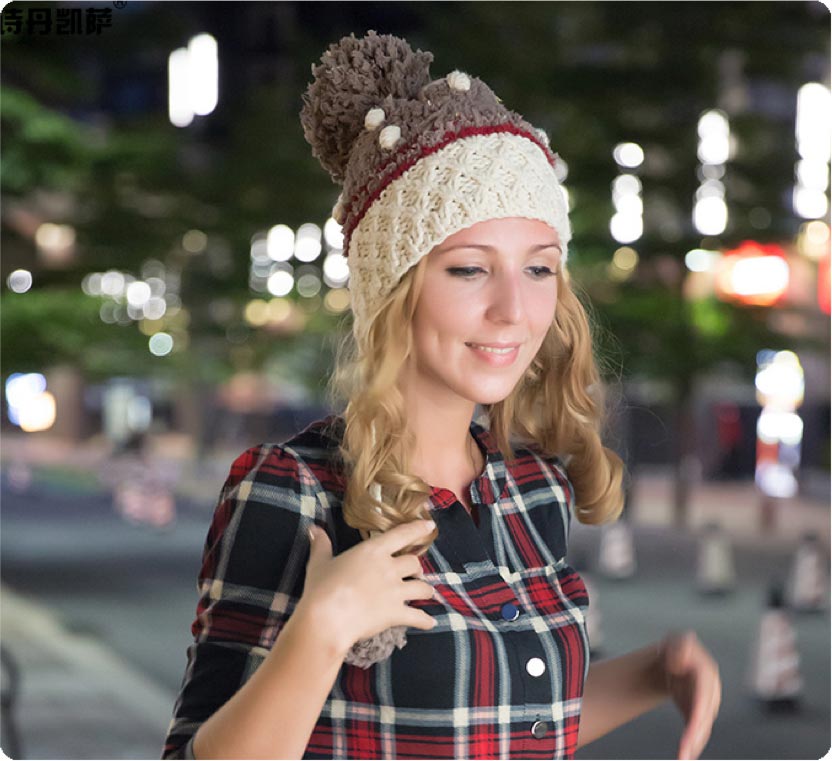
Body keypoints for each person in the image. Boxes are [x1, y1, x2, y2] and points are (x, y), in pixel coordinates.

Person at [162, 30, 721, 760]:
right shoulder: (292, 491)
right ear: (393, 292)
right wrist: (323, 626)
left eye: (539, 269)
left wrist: (653, 673)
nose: (513, 311)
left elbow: (498, 726)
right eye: (468, 269)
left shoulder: (533, 489)